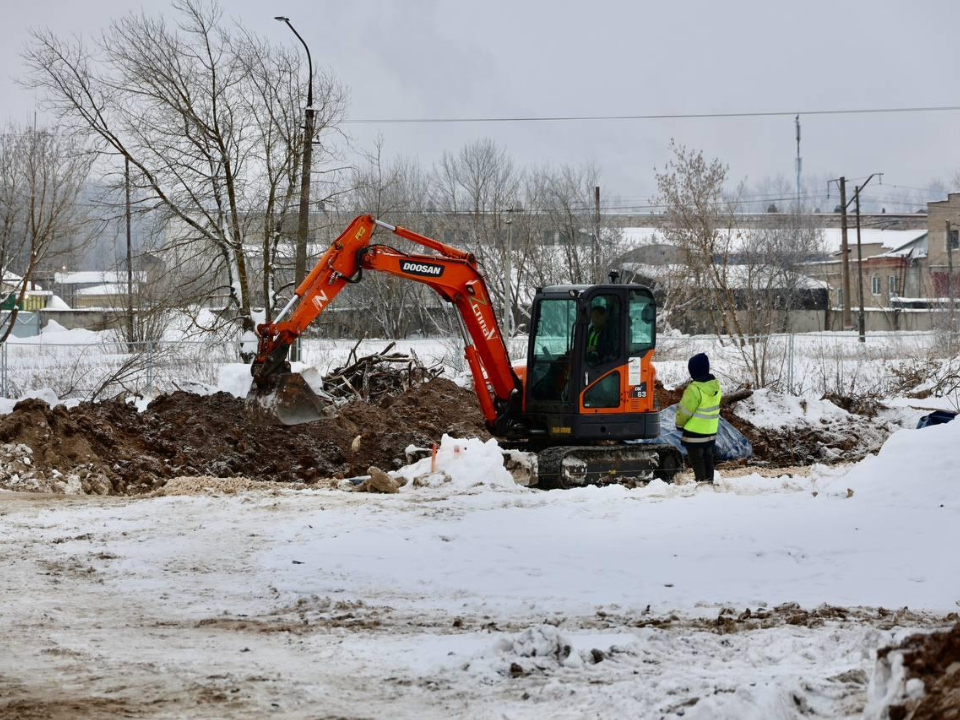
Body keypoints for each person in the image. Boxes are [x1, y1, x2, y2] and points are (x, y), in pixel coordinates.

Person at [675, 352, 722, 483]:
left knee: (697, 459)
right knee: (708, 457)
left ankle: (702, 484)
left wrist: (679, 424)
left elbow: (684, 411)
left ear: (694, 371)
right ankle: (709, 482)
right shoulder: (716, 386)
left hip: (694, 432)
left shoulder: (694, 389)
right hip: (710, 431)